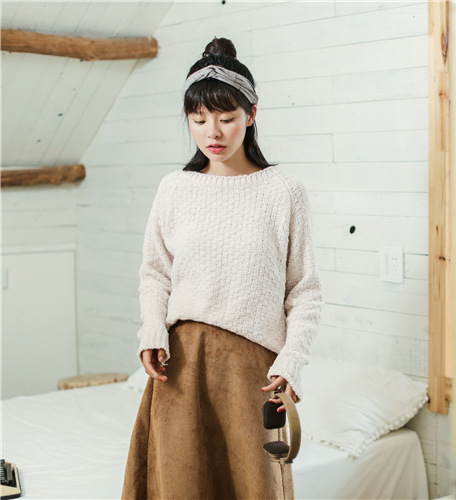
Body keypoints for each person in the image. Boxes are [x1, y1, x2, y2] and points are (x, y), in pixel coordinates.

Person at [121, 36, 324, 499]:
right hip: (180, 367)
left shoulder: (284, 191)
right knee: (180, 484)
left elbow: (304, 291)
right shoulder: (175, 188)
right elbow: (155, 273)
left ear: (251, 115)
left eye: (226, 118)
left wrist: (292, 361)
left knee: (254, 486)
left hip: (252, 374)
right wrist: (152, 331)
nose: (212, 132)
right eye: (199, 120)